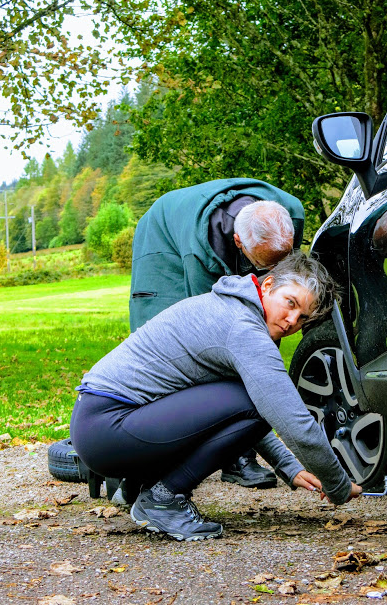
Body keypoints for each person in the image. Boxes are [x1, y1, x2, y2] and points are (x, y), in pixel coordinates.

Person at [71, 252, 362, 542]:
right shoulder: (243, 328)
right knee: (259, 403)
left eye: (303, 317)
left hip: (100, 423)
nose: (291, 321)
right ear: (269, 284)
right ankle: (163, 499)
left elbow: (231, 413)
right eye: (291, 303)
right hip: (108, 428)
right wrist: (337, 485)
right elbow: (291, 420)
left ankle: (135, 487)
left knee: (252, 401)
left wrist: (288, 467)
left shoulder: (234, 307)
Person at [129, 177, 305, 489]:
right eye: (266, 265)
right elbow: (215, 341)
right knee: (188, 351)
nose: (273, 273)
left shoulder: (292, 213)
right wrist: (285, 461)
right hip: (164, 240)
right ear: (240, 243)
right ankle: (225, 456)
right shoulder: (201, 249)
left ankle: (236, 444)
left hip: (227, 238)